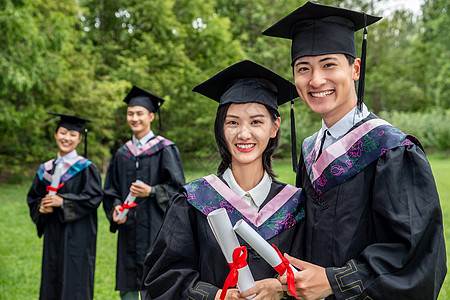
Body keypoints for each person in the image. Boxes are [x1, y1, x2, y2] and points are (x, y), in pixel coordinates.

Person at [261, 2, 447, 299]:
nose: (316, 80)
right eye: (303, 68)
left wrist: (336, 281)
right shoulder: (310, 150)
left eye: (329, 64)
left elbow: (415, 254)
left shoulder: (391, 149)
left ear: (355, 69)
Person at [140, 60, 305, 300]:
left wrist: (280, 289)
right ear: (221, 129)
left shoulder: (296, 205)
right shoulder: (194, 201)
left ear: (274, 127)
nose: (244, 133)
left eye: (256, 121)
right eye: (232, 122)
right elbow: (161, 280)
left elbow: (314, 278)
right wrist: (216, 296)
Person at [102, 85, 185, 300]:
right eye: (130, 113)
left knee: (158, 283)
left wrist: (152, 191)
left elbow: (178, 191)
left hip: (156, 230)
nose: (134, 118)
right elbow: (110, 190)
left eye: (139, 113)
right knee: (129, 287)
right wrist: (115, 208)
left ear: (150, 116)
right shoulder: (122, 154)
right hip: (129, 231)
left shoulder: (165, 149)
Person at [27, 113, 103, 300]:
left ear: (79, 139)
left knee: (75, 282)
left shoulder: (86, 168)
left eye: (72, 134)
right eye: (63, 133)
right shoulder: (46, 169)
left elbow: (94, 198)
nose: (66, 138)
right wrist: (40, 208)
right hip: (53, 235)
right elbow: (34, 197)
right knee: (52, 278)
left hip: (78, 236)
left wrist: (63, 202)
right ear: (55, 134)